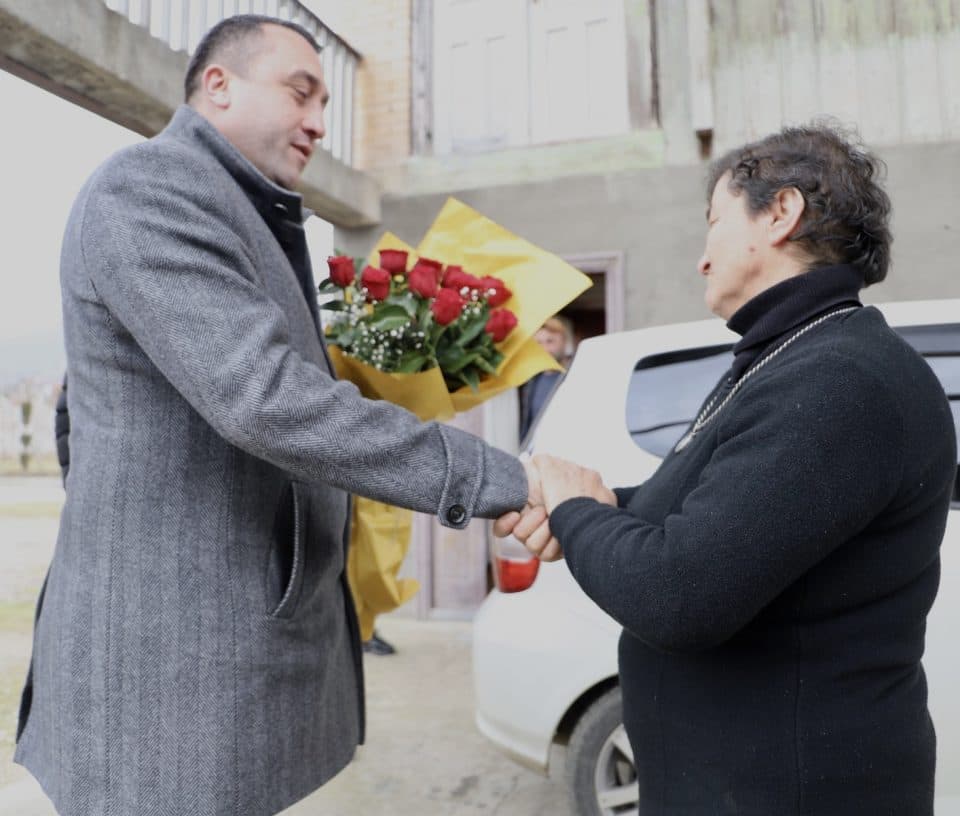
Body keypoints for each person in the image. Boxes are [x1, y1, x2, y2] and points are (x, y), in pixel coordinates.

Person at [14, 15, 537, 816]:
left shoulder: (245, 213)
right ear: (217, 85)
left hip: (206, 653)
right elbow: (265, 401)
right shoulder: (150, 188)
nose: (320, 123)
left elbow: (87, 414)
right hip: (166, 667)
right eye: (301, 92)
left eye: (325, 99)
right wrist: (497, 478)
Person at [498, 123, 956, 814]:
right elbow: (714, 512)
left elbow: (680, 595)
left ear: (781, 212)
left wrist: (578, 513)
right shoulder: (789, 357)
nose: (702, 258)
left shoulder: (841, 382)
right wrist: (589, 505)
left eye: (714, 222)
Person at [518, 316, 574, 441]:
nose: (545, 349)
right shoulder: (530, 381)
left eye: (550, 341)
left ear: (564, 342)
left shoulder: (576, 375)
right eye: (539, 343)